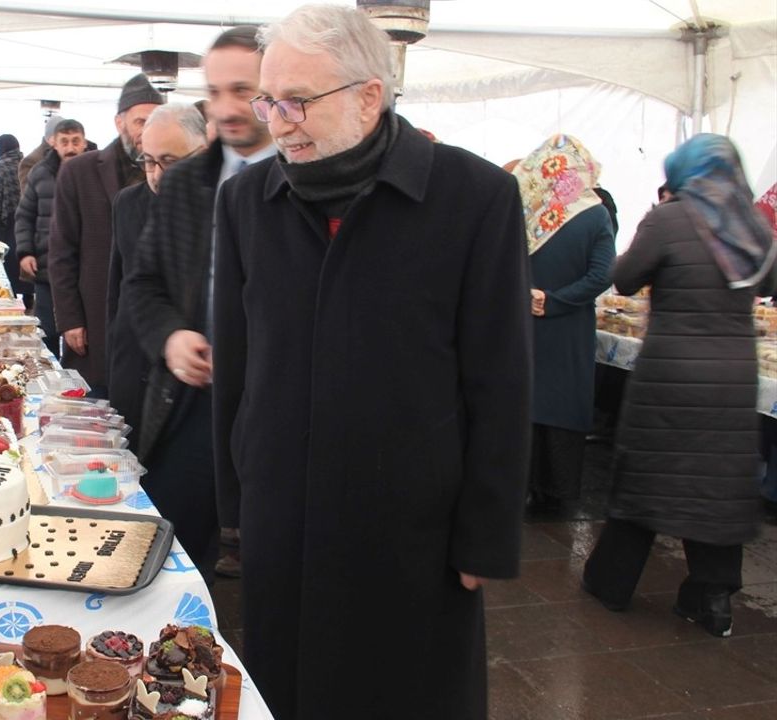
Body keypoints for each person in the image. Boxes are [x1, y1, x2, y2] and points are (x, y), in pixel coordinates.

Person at [213, 7, 531, 717]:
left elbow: (500, 377)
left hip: (408, 523)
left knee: (401, 691)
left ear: (368, 96)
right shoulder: (246, 201)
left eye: (298, 100)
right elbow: (236, 365)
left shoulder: (474, 199)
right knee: (288, 688)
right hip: (283, 516)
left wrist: (487, 534)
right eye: (269, 100)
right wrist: (236, 508)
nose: (279, 120)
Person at [582, 134, 776, 637]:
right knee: (717, 485)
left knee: (645, 475)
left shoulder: (670, 218)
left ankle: (611, 584)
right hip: (732, 376)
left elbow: (623, 278)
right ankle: (711, 601)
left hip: (671, 372)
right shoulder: (754, 225)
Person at [122, 25, 277, 583]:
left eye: (243, 90)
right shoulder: (188, 183)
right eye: (215, 92)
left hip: (280, 411)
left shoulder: (311, 177)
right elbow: (142, 284)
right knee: (165, 552)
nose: (227, 108)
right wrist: (171, 336)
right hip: (194, 403)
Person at [512, 135, 615, 515]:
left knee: (523, 398)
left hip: (521, 319)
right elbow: (603, 274)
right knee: (561, 400)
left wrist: (527, 294)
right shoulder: (595, 213)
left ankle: (517, 485)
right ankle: (555, 488)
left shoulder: (523, 209)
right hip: (568, 324)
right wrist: (556, 301)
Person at [50, 74, 165, 395]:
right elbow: (62, 251)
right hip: (96, 311)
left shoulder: (172, 170)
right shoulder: (79, 171)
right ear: (120, 122)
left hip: (150, 317)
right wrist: (70, 318)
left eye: (155, 120)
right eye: (140, 121)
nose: (147, 130)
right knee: (96, 409)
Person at [107, 103, 208, 460]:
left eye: (170, 160)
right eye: (148, 161)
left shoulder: (225, 205)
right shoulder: (128, 204)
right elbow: (119, 291)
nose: (157, 173)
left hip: (190, 380)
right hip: (133, 368)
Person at [16, 119, 87, 359]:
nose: (70, 148)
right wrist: (25, 252)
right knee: (47, 329)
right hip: (47, 267)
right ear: (54, 143)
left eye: (75, 141)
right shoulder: (40, 172)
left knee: (81, 332)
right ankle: (51, 380)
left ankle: (79, 384)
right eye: (64, 142)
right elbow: (25, 215)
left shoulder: (95, 172)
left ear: (84, 143)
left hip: (85, 269)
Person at [0, 133, 30, 307]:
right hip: (26, 220)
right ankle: (27, 295)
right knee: (24, 256)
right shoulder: (27, 163)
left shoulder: (2, 165)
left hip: (9, 221)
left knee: (8, 261)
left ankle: (9, 297)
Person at [19, 115, 64, 191]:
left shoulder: (65, 154)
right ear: (52, 138)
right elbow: (27, 196)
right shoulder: (31, 161)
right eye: (63, 138)